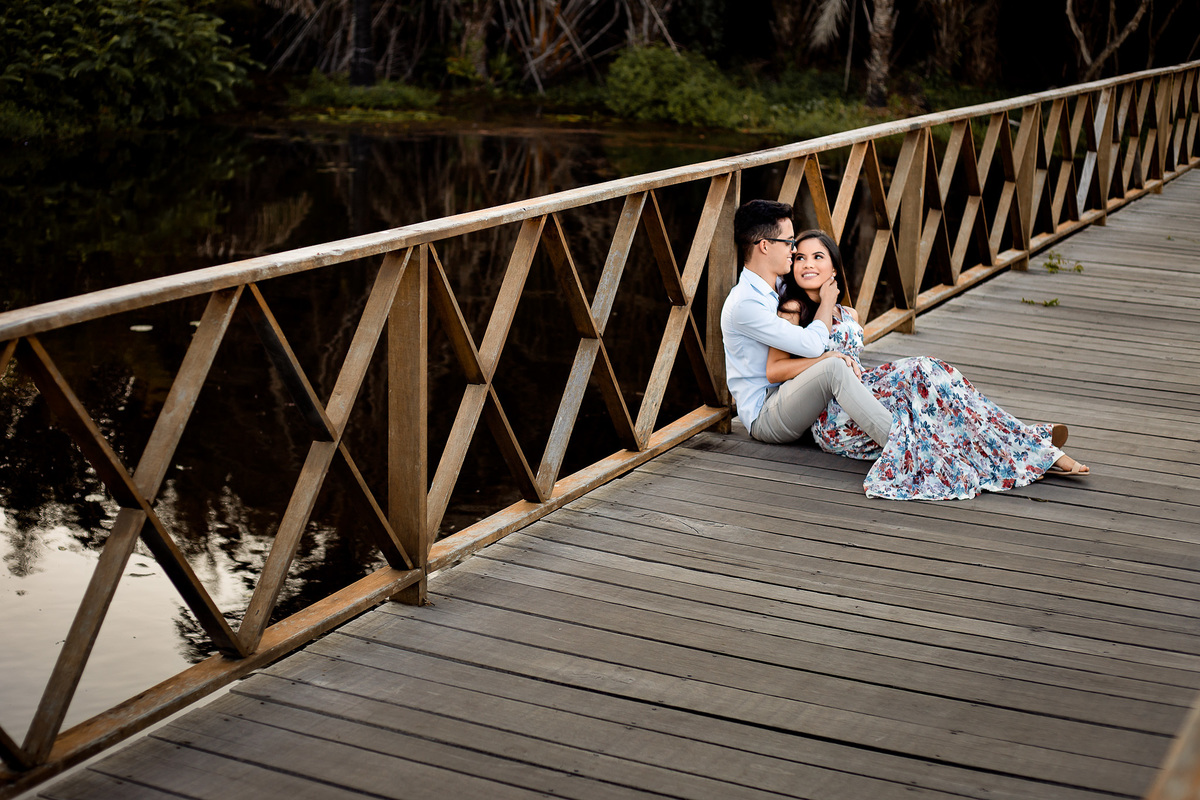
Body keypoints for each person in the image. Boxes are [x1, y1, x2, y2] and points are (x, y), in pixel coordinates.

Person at [769, 228, 1090, 500]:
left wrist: (832, 305)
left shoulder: (849, 314)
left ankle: (1028, 442)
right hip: (836, 417)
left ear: (835, 269)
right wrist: (824, 320)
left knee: (935, 379)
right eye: (799, 258)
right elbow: (775, 370)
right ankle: (1035, 450)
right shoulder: (793, 309)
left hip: (866, 394)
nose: (806, 264)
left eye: (817, 257)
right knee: (925, 386)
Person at [720, 199, 894, 450]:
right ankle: (898, 446)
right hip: (767, 415)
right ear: (765, 246)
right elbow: (813, 346)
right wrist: (827, 302)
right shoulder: (746, 305)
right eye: (789, 242)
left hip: (794, 394)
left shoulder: (777, 287)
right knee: (834, 365)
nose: (793, 250)